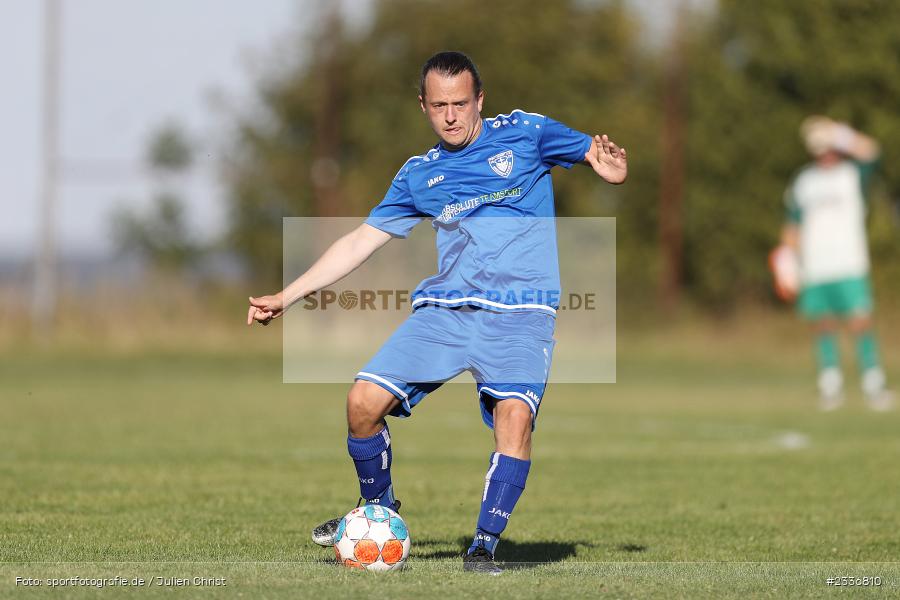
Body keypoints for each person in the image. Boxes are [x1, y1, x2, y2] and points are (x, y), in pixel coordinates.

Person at [247, 51, 627, 573]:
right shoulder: (418, 175)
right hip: (446, 312)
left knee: (514, 420)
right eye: (439, 105)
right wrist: (286, 296)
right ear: (423, 105)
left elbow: (593, 154)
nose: (451, 116)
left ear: (480, 101)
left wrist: (607, 166)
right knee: (361, 403)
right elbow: (361, 241)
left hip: (521, 314)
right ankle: (377, 509)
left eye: (461, 103)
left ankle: (483, 548)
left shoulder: (528, 133)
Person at [776, 116, 892, 412]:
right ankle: (831, 386)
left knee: (859, 322)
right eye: (820, 149)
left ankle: (873, 384)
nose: (825, 154)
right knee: (823, 324)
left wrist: (838, 131)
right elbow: (792, 225)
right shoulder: (804, 181)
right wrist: (787, 260)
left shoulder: (852, 174)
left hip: (849, 263)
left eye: (829, 148)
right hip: (815, 267)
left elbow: (872, 151)